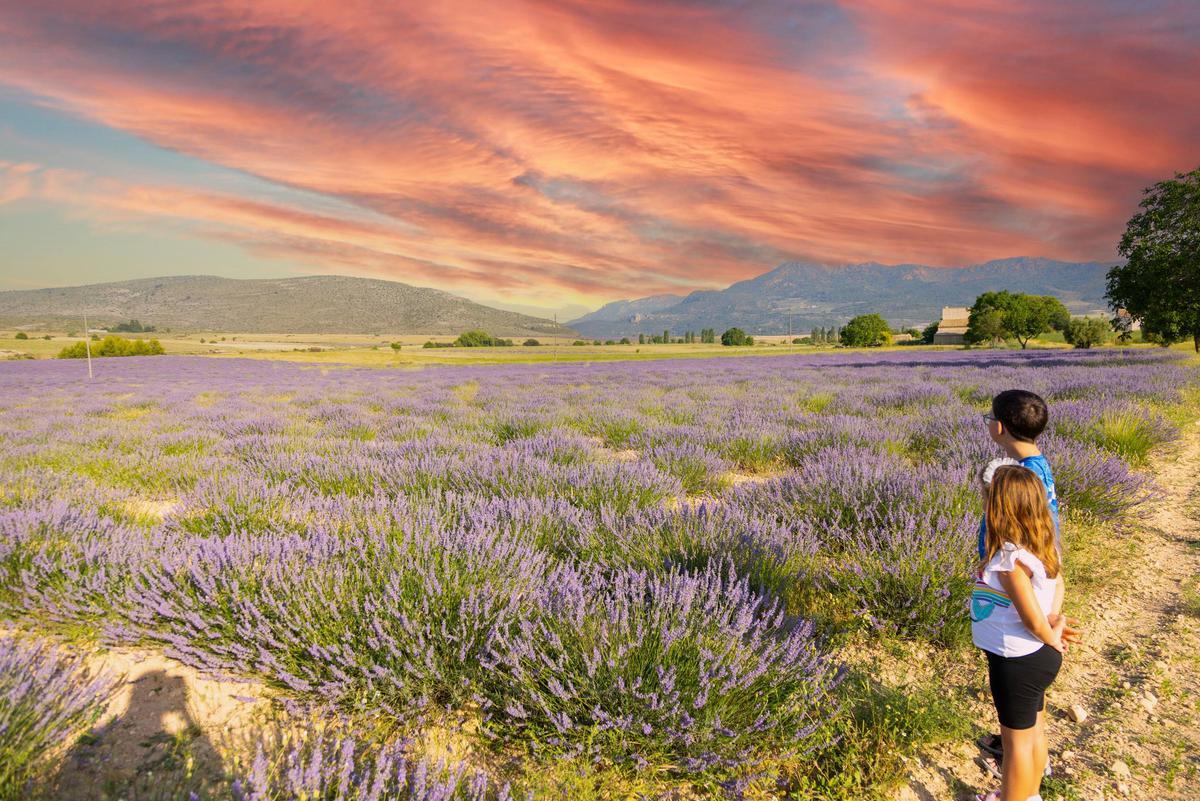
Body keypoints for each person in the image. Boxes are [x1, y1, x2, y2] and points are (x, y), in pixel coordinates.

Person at [976, 390, 1079, 775]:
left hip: (1020, 602)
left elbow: (1030, 547)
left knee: (1019, 677)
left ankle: (1026, 761)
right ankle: (1032, 751)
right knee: (1029, 696)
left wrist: (1046, 623)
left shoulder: (1018, 478)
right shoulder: (1038, 466)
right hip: (1035, 594)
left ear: (999, 427)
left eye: (988, 416)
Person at [972, 465, 1066, 801]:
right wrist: (1054, 622)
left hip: (1016, 659)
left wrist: (1050, 634)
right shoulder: (1039, 546)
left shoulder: (1010, 561)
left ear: (998, 508)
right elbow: (1057, 588)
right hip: (1031, 657)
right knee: (1033, 733)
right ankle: (1029, 795)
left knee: (1015, 744)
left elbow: (1030, 618)